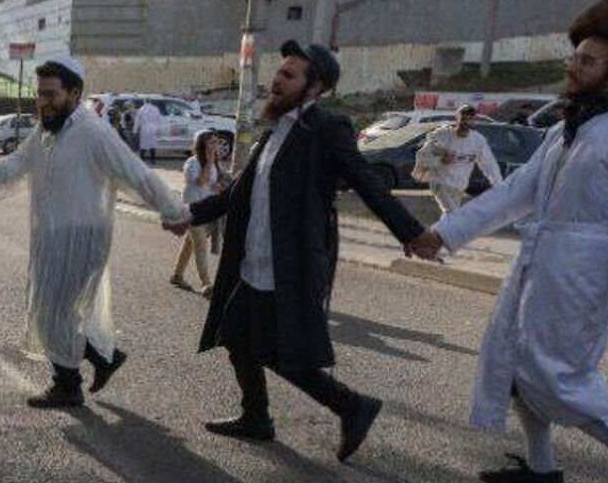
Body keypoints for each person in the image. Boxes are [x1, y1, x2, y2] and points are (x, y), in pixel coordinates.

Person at [409, 0, 608, 483]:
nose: (574, 67)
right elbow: (516, 192)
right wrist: (444, 233)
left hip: (582, 276)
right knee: (515, 362)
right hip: (536, 265)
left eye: (588, 61)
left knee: (559, 376)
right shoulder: (565, 131)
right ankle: (542, 470)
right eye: (574, 57)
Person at [174, 41, 424, 463]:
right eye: (279, 71)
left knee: (282, 354)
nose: (276, 79)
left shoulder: (326, 129)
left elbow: (365, 180)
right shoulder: (274, 131)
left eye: (289, 75)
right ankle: (256, 416)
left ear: (315, 88)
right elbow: (236, 194)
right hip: (253, 263)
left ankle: (352, 406)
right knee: (236, 337)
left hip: (287, 267)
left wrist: (410, 231)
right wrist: (188, 214)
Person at [0, 55, 190, 408]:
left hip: (83, 237)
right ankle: (102, 359)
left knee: (56, 312)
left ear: (75, 94)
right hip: (50, 236)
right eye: (40, 94)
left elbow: (136, 173)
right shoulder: (44, 133)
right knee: (54, 310)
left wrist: (174, 210)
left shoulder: (94, 132)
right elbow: (13, 166)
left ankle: (69, 384)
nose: (43, 102)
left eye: (51, 94)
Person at [417, 105, 504, 215]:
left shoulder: (477, 140)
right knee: (453, 213)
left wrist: (498, 184)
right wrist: (440, 160)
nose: (466, 122)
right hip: (440, 181)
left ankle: (442, 226)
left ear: (474, 120)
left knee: (450, 215)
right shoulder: (443, 135)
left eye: (470, 119)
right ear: (457, 119)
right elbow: (422, 155)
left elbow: (488, 163)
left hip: (458, 185)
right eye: (463, 119)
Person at [171, 128, 225, 294]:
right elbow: (201, 182)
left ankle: (177, 275)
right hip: (193, 209)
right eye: (211, 142)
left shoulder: (215, 163)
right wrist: (208, 162)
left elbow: (212, 183)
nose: (214, 145)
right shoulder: (191, 163)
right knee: (200, 245)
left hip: (208, 209)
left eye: (216, 141)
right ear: (201, 144)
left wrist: (218, 186)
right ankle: (206, 284)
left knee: (191, 243)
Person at [133, 98, 164, 163]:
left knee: (143, 144)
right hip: (153, 128)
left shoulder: (141, 109)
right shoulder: (155, 109)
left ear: (144, 101)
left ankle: (141, 159)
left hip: (144, 128)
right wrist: (159, 129)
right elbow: (159, 119)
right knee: (152, 144)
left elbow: (137, 120)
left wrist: (135, 130)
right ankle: (153, 159)